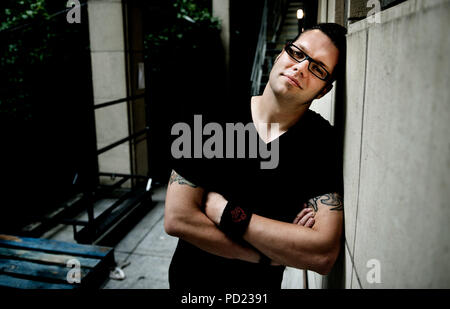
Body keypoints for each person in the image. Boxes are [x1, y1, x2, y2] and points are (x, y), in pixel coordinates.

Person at [164, 23, 347, 289]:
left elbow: (322, 254)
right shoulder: (211, 117)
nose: (301, 68)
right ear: (280, 55)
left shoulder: (319, 141)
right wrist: (266, 255)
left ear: (324, 90)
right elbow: (178, 218)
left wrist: (224, 212)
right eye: (297, 53)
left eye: (318, 68)